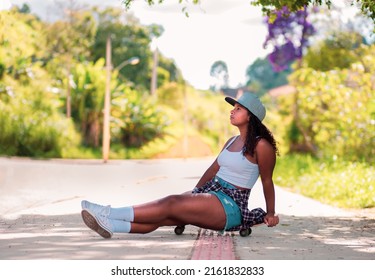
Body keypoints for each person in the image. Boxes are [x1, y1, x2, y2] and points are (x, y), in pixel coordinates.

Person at [81, 92, 279, 238]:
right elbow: (212, 170)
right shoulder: (230, 141)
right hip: (212, 191)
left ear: (250, 116)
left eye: (238, 109)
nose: (232, 111)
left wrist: (270, 213)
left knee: (171, 203)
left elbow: (267, 181)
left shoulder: (262, 146)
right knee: (164, 215)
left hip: (231, 204)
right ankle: (111, 225)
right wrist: (195, 192)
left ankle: (108, 212)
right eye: (233, 107)